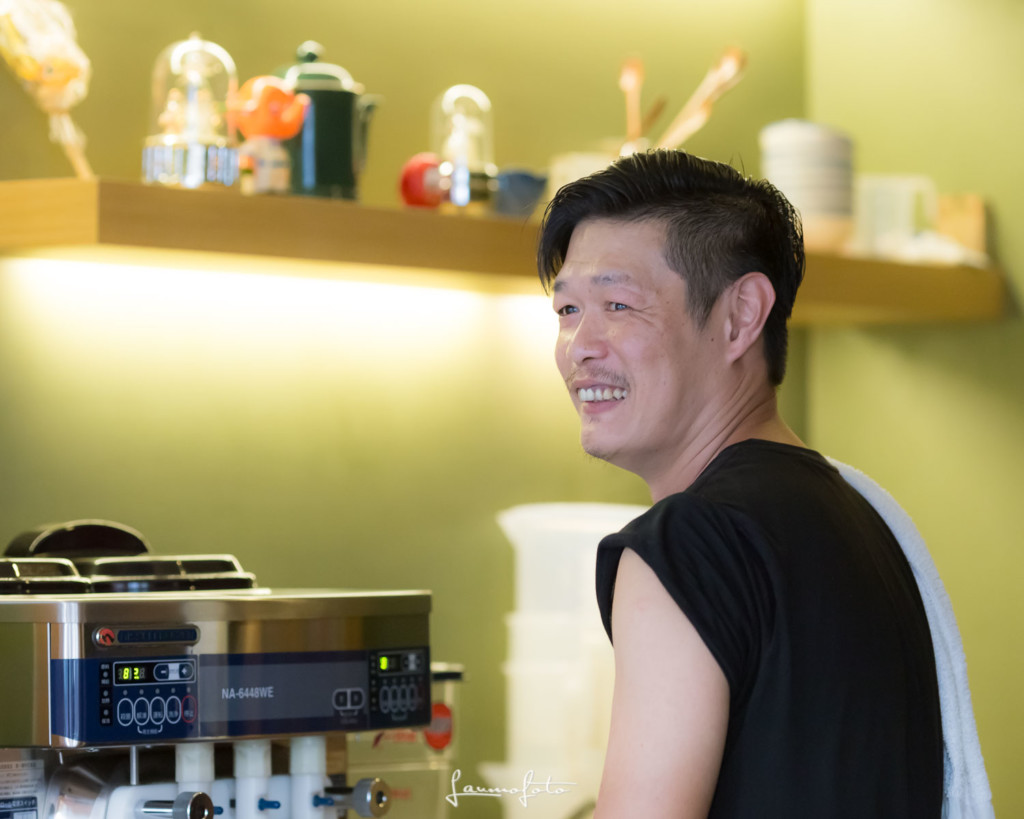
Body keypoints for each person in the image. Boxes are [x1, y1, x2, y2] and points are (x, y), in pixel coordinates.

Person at [537, 150, 943, 818]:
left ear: (740, 316)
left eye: (618, 303)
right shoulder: (859, 519)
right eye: (568, 308)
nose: (580, 344)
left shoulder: (686, 546)